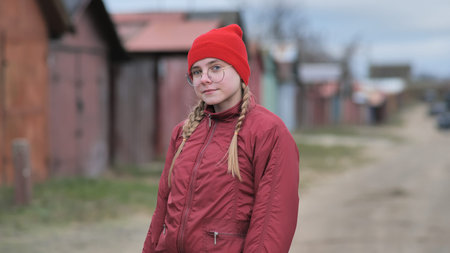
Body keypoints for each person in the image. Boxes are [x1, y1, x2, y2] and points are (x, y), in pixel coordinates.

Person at [142, 24, 299, 253]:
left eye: (215, 68)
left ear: (239, 69)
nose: (204, 79)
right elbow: (161, 213)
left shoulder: (268, 133)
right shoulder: (183, 133)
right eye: (197, 72)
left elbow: (272, 223)